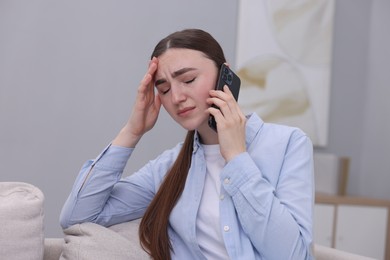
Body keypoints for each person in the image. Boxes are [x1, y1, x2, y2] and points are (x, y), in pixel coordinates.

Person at [60, 28, 314, 260]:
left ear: (224, 74)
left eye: (189, 80)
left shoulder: (289, 144)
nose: (177, 97)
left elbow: (294, 256)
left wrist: (237, 158)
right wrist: (132, 131)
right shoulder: (168, 169)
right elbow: (78, 216)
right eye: (165, 89)